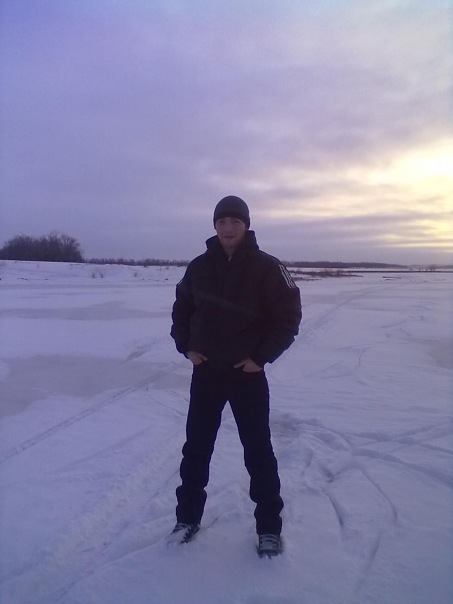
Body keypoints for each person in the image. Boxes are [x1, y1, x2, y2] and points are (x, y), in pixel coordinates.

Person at [169, 195, 302, 557]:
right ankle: (187, 519)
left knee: (258, 452)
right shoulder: (199, 267)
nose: (228, 228)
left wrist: (260, 357)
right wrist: (186, 346)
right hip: (207, 374)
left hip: (247, 375)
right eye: (222, 221)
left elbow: (288, 318)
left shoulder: (267, 267)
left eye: (235, 222)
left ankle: (269, 529)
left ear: (246, 225)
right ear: (214, 225)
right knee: (196, 449)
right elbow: (181, 311)